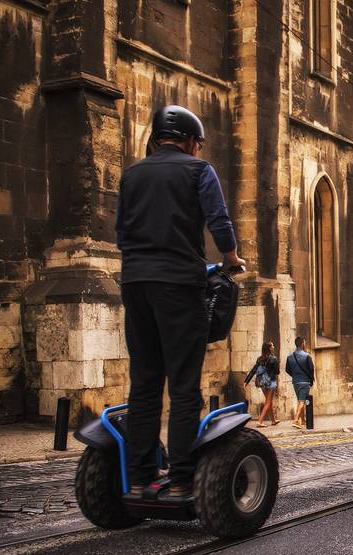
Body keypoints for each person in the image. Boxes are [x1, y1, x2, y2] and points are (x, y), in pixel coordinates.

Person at [117, 105, 245, 499]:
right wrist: (231, 258)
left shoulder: (131, 174)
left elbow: (123, 231)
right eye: (197, 144)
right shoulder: (197, 170)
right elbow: (219, 221)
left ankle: (139, 477)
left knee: (144, 383)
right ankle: (182, 479)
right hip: (178, 284)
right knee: (184, 385)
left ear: (157, 138)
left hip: (135, 282)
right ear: (190, 141)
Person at [245, 341, 279, 427]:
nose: (274, 347)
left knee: (269, 402)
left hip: (262, 383)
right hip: (270, 382)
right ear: (269, 348)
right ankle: (260, 421)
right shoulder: (274, 359)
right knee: (268, 402)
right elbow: (277, 372)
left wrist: (246, 381)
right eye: (272, 345)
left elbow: (253, 370)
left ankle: (273, 420)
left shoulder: (260, 359)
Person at [285, 336, 315, 428]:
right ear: (302, 344)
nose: (305, 344)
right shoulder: (307, 356)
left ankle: (302, 421)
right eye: (304, 343)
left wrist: (295, 376)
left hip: (295, 382)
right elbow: (311, 369)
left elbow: (287, 369)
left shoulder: (290, 357)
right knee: (302, 401)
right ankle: (296, 420)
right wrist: (311, 379)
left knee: (299, 401)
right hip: (304, 382)